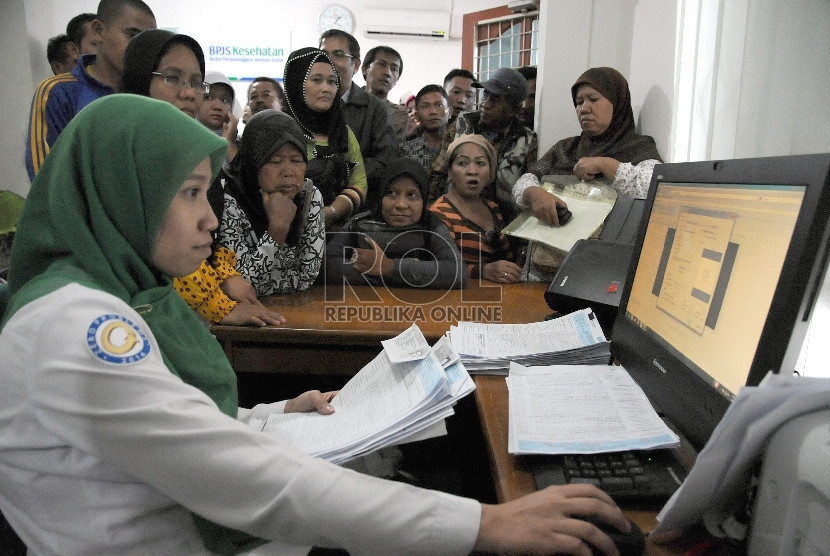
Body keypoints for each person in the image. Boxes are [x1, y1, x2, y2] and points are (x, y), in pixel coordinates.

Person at [0, 94, 632, 556]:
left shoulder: (119, 293)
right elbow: (235, 474)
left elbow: (172, 429)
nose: (210, 221)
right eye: (189, 194)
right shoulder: (76, 329)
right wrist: (486, 527)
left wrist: (273, 414)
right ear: (121, 192)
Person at [120, 28, 282, 327]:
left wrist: (225, 275)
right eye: (173, 77)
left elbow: (205, 232)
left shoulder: (191, 149)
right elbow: (156, 248)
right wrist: (220, 307)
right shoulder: (126, 151)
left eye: (196, 82)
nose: (189, 92)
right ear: (140, 78)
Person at [25, 0, 157, 181]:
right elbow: (44, 177)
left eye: (145, 42)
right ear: (98, 31)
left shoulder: (147, 94)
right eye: (131, 35)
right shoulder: (58, 91)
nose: (138, 49)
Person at [513, 67, 663, 225]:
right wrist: (533, 193)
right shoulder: (565, 149)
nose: (584, 109)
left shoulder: (637, 147)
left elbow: (656, 189)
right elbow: (526, 180)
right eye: (579, 102)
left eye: (593, 99)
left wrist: (604, 164)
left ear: (617, 101)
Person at [218, 110, 325, 296]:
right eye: (275, 161)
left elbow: (306, 277)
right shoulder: (230, 201)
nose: (289, 172)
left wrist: (262, 278)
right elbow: (243, 286)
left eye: (296, 160)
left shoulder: (309, 197)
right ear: (253, 163)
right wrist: (277, 232)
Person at [326, 158, 466, 290]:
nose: (401, 204)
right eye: (392, 193)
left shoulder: (431, 225)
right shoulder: (358, 223)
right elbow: (325, 265)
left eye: (412, 195)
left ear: (423, 200)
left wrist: (389, 267)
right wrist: (387, 273)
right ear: (381, 196)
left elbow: (458, 273)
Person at [430, 67, 538, 219]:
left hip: (502, 226)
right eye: (485, 95)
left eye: (494, 100)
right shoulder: (463, 123)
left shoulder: (526, 141)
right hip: (452, 217)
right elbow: (438, 173)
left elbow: (528, 189)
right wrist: (431, 217)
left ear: (515, 109)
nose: (485, 105)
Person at [282, 47, 367, 228]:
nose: (326, 88)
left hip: (335, 233)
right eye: (317, 80)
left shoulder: (343, 133)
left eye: (332, 82)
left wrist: (331, 212)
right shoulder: (280, 129)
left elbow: (359, 182)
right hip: (284, 230)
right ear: (297, 83)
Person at [319, 30, 397, 207]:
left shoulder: (375, 109)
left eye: (338, 54)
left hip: (358, 211)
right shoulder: (304, 104)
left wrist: (338, 171)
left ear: (355, 65)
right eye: (323, 55)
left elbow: (385, 162)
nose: (328, 61)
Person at [430, 135, 521, 284]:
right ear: (450, 172)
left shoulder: (493, 208)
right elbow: (441, 268)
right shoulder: (439, 213)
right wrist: (483, 271)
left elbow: (507, 258)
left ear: (490, 173)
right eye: (462, 163)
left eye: (480, 163)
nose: (472, 171)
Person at [361, 45, 408, 144]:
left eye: (394, 69)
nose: (388, 73)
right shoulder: (347, 101)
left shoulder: (398, 114)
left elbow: (387, 148)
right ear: (364, 69)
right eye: (381, 65)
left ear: (397, 80)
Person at [400, 84, 449, 171]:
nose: (433, 111)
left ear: (450, 112)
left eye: (439, 105)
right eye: (425, 106)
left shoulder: (461, 147)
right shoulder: (404, 151)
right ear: (417, 115)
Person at [198, 70, 237, 136]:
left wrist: (230, 143)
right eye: (208, 97)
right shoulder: (179, 139)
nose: (217, 107)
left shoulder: (242, 144)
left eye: (225, 100)